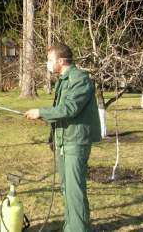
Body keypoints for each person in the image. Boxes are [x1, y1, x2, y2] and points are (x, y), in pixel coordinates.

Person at [24, 43, 101, 232]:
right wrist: (45, 119)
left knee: (75, 192)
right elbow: (62, 112)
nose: (47, 64)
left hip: (75, 143)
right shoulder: (63, 80)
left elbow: (70, 108)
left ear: (60, 61)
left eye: (50, 60)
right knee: (67, 189)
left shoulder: (80, 78)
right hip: (63, 142)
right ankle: (71, 227)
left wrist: (40, 111)